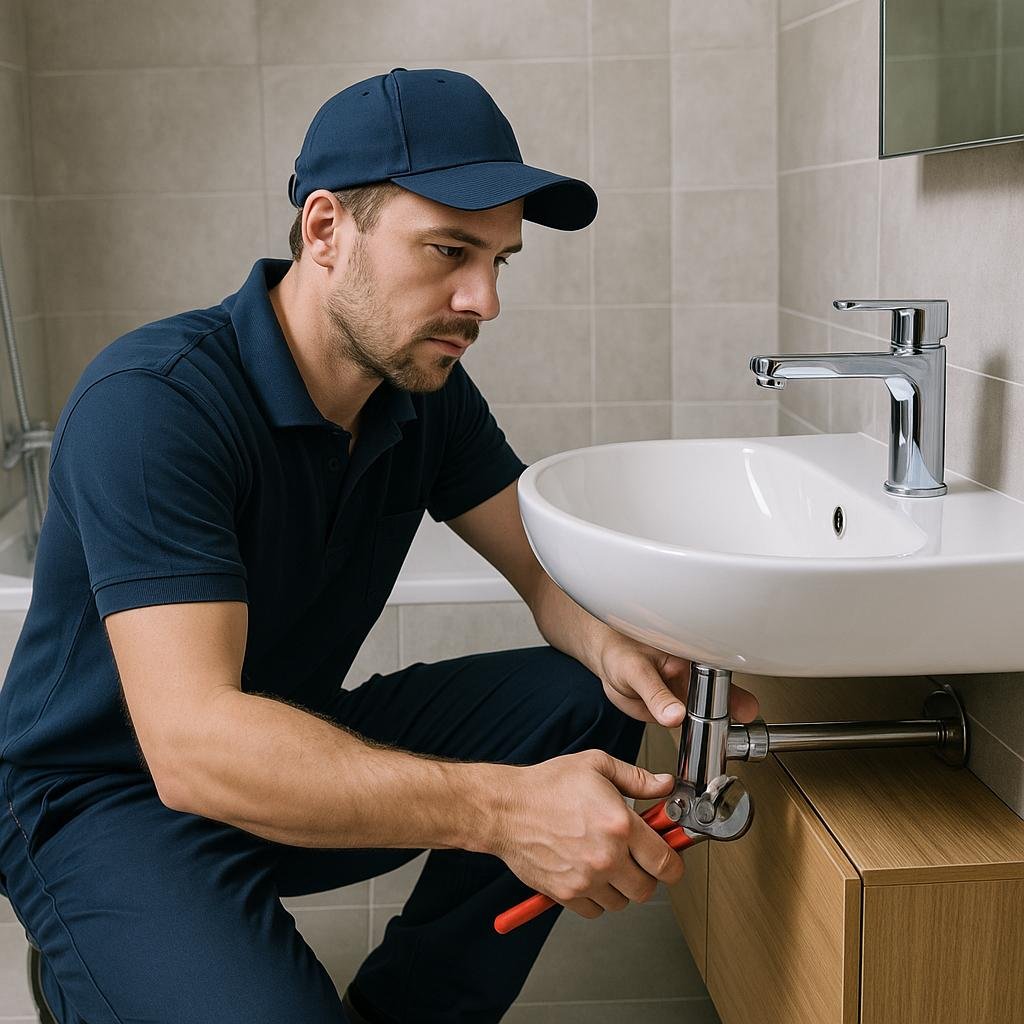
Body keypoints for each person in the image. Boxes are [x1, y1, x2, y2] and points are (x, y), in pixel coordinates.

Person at [0, 68, 756, 1023]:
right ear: (325, 230)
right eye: (447, 250)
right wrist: (505, 810)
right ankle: (96, 960)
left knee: (577, 700)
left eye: (499, 261)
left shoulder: (418, 390)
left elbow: (542, 571)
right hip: (107, 800)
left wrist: (634, 660)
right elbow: (193, 748)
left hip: (291, 747)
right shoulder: (155, 404)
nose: (481, 300)